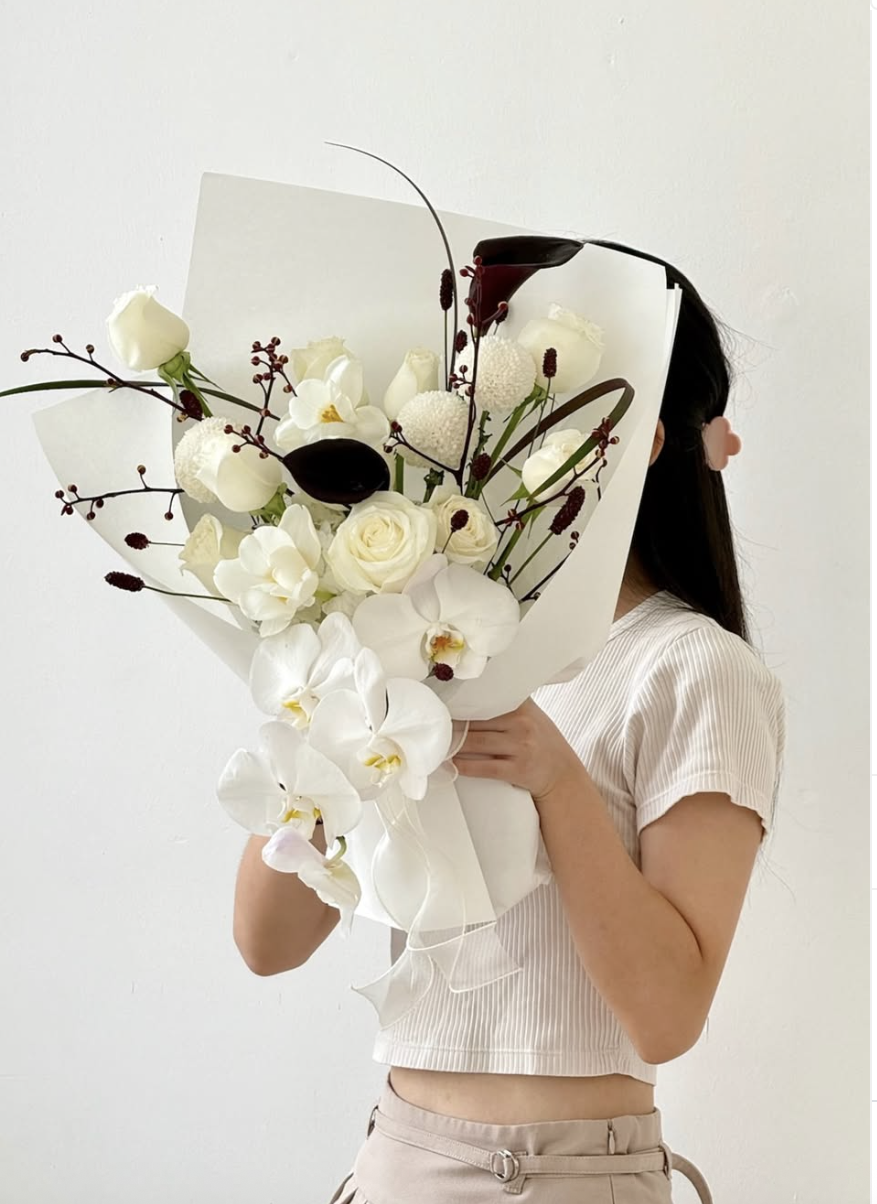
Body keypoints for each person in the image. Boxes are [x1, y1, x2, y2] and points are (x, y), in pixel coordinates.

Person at [231, 241, 785, 1204]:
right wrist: (325, 716)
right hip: (398, 1160)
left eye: (526, 403)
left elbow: (667, 1017)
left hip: (574, 1177)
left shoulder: (696, 669)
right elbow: (266, 945)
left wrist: (558, 781)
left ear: (637, 439)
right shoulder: (425, 645)